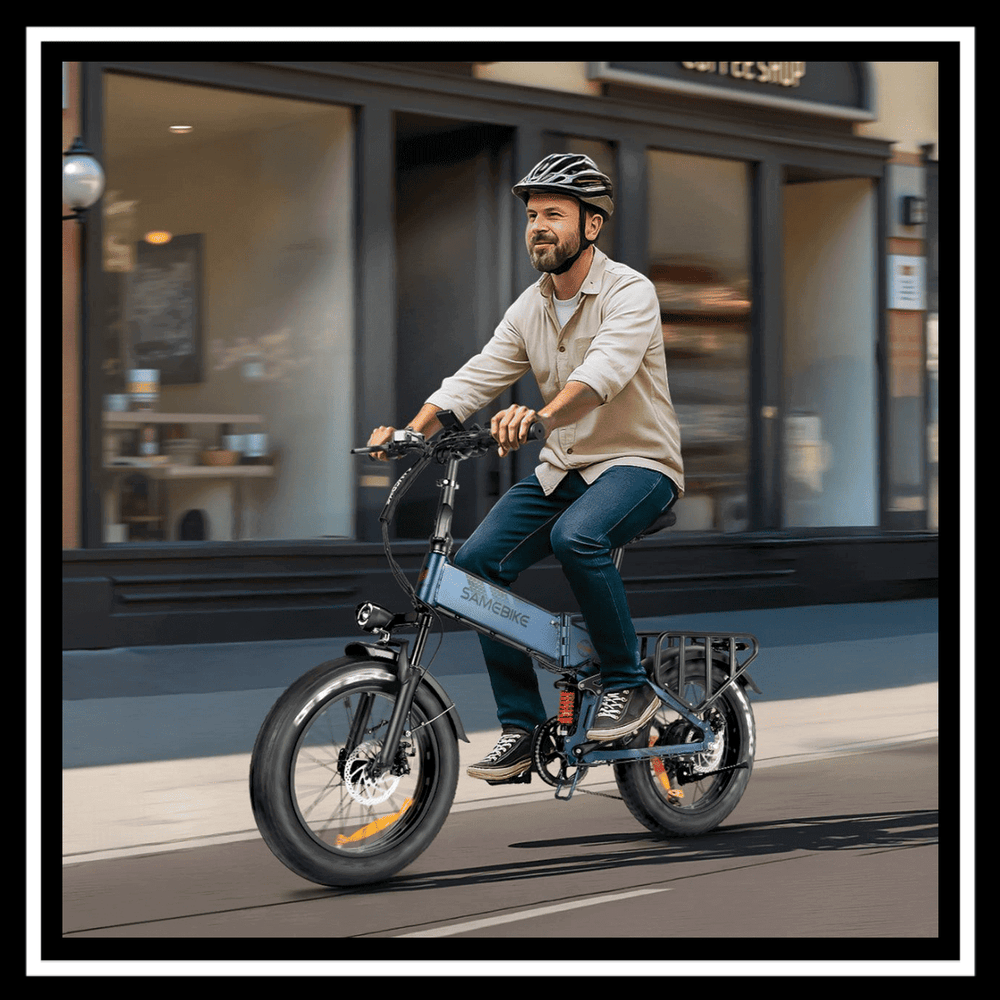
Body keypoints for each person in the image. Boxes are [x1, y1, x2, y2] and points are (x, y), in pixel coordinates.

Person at [367, 152, 684, 783]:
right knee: (473, 570)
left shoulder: (630, 292)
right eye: (532, 215)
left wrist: (539, 418)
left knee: (577, 536)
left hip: (639, 464)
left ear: (591, 225)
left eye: (554, 215)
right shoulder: (529, 306)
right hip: (563, 470)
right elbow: (477, 376)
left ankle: (627, 683)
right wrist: (412, 431)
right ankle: (521, 726)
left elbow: (603, 374)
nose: (538, 226)